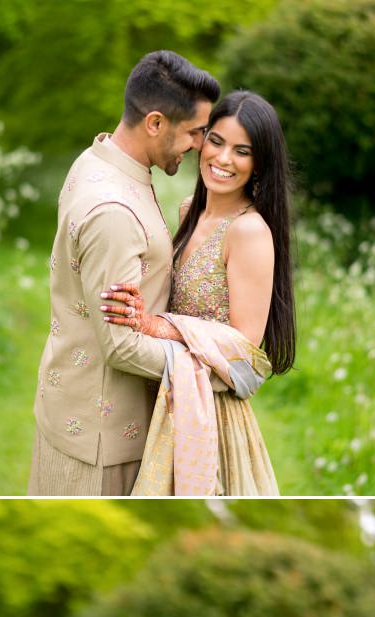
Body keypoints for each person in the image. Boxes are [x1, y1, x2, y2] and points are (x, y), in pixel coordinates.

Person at [28, 50, 220, 496]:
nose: (200, 145)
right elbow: (120, 347)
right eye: (194, 132)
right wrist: (211, 368)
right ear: (155, 123)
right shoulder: (114, 211)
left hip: (80, 413)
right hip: (102, 440)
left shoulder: (99, 160)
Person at [100, 90, 296, 496]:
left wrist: (158, 325)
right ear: (201, 140)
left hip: (212, 415)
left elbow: (246, 346)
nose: (223, 160)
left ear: (260, 164)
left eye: (242, 151)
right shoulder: (190, 210)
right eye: (217, 141)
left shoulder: (249, 231)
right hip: (168, 398)